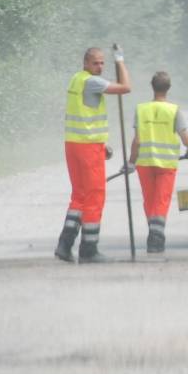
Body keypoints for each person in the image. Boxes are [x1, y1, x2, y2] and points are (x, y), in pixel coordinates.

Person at [55, 46, 131, 263]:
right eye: (95, 63)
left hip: (74, 144)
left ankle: (64, 245)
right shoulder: (92, 82)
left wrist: (101, 144)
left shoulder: (76, 79)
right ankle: (89, 249)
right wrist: (120, 60)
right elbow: (126, 87)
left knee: (79, 195)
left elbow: (84, 114)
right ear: (86, 63)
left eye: (102, 63)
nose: (100, 66)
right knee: (95, 196)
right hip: (88, 148)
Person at [128, 71, 188, 253]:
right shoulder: (173, 110)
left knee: (149, 200)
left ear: (152, 87)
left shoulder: (141, 109)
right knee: (161, 200)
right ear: (169, 88)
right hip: (166, 165)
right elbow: (185, 138)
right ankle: (156, 238)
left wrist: (131, 162)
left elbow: (137, 141)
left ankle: (153, 231)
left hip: (145, 163)